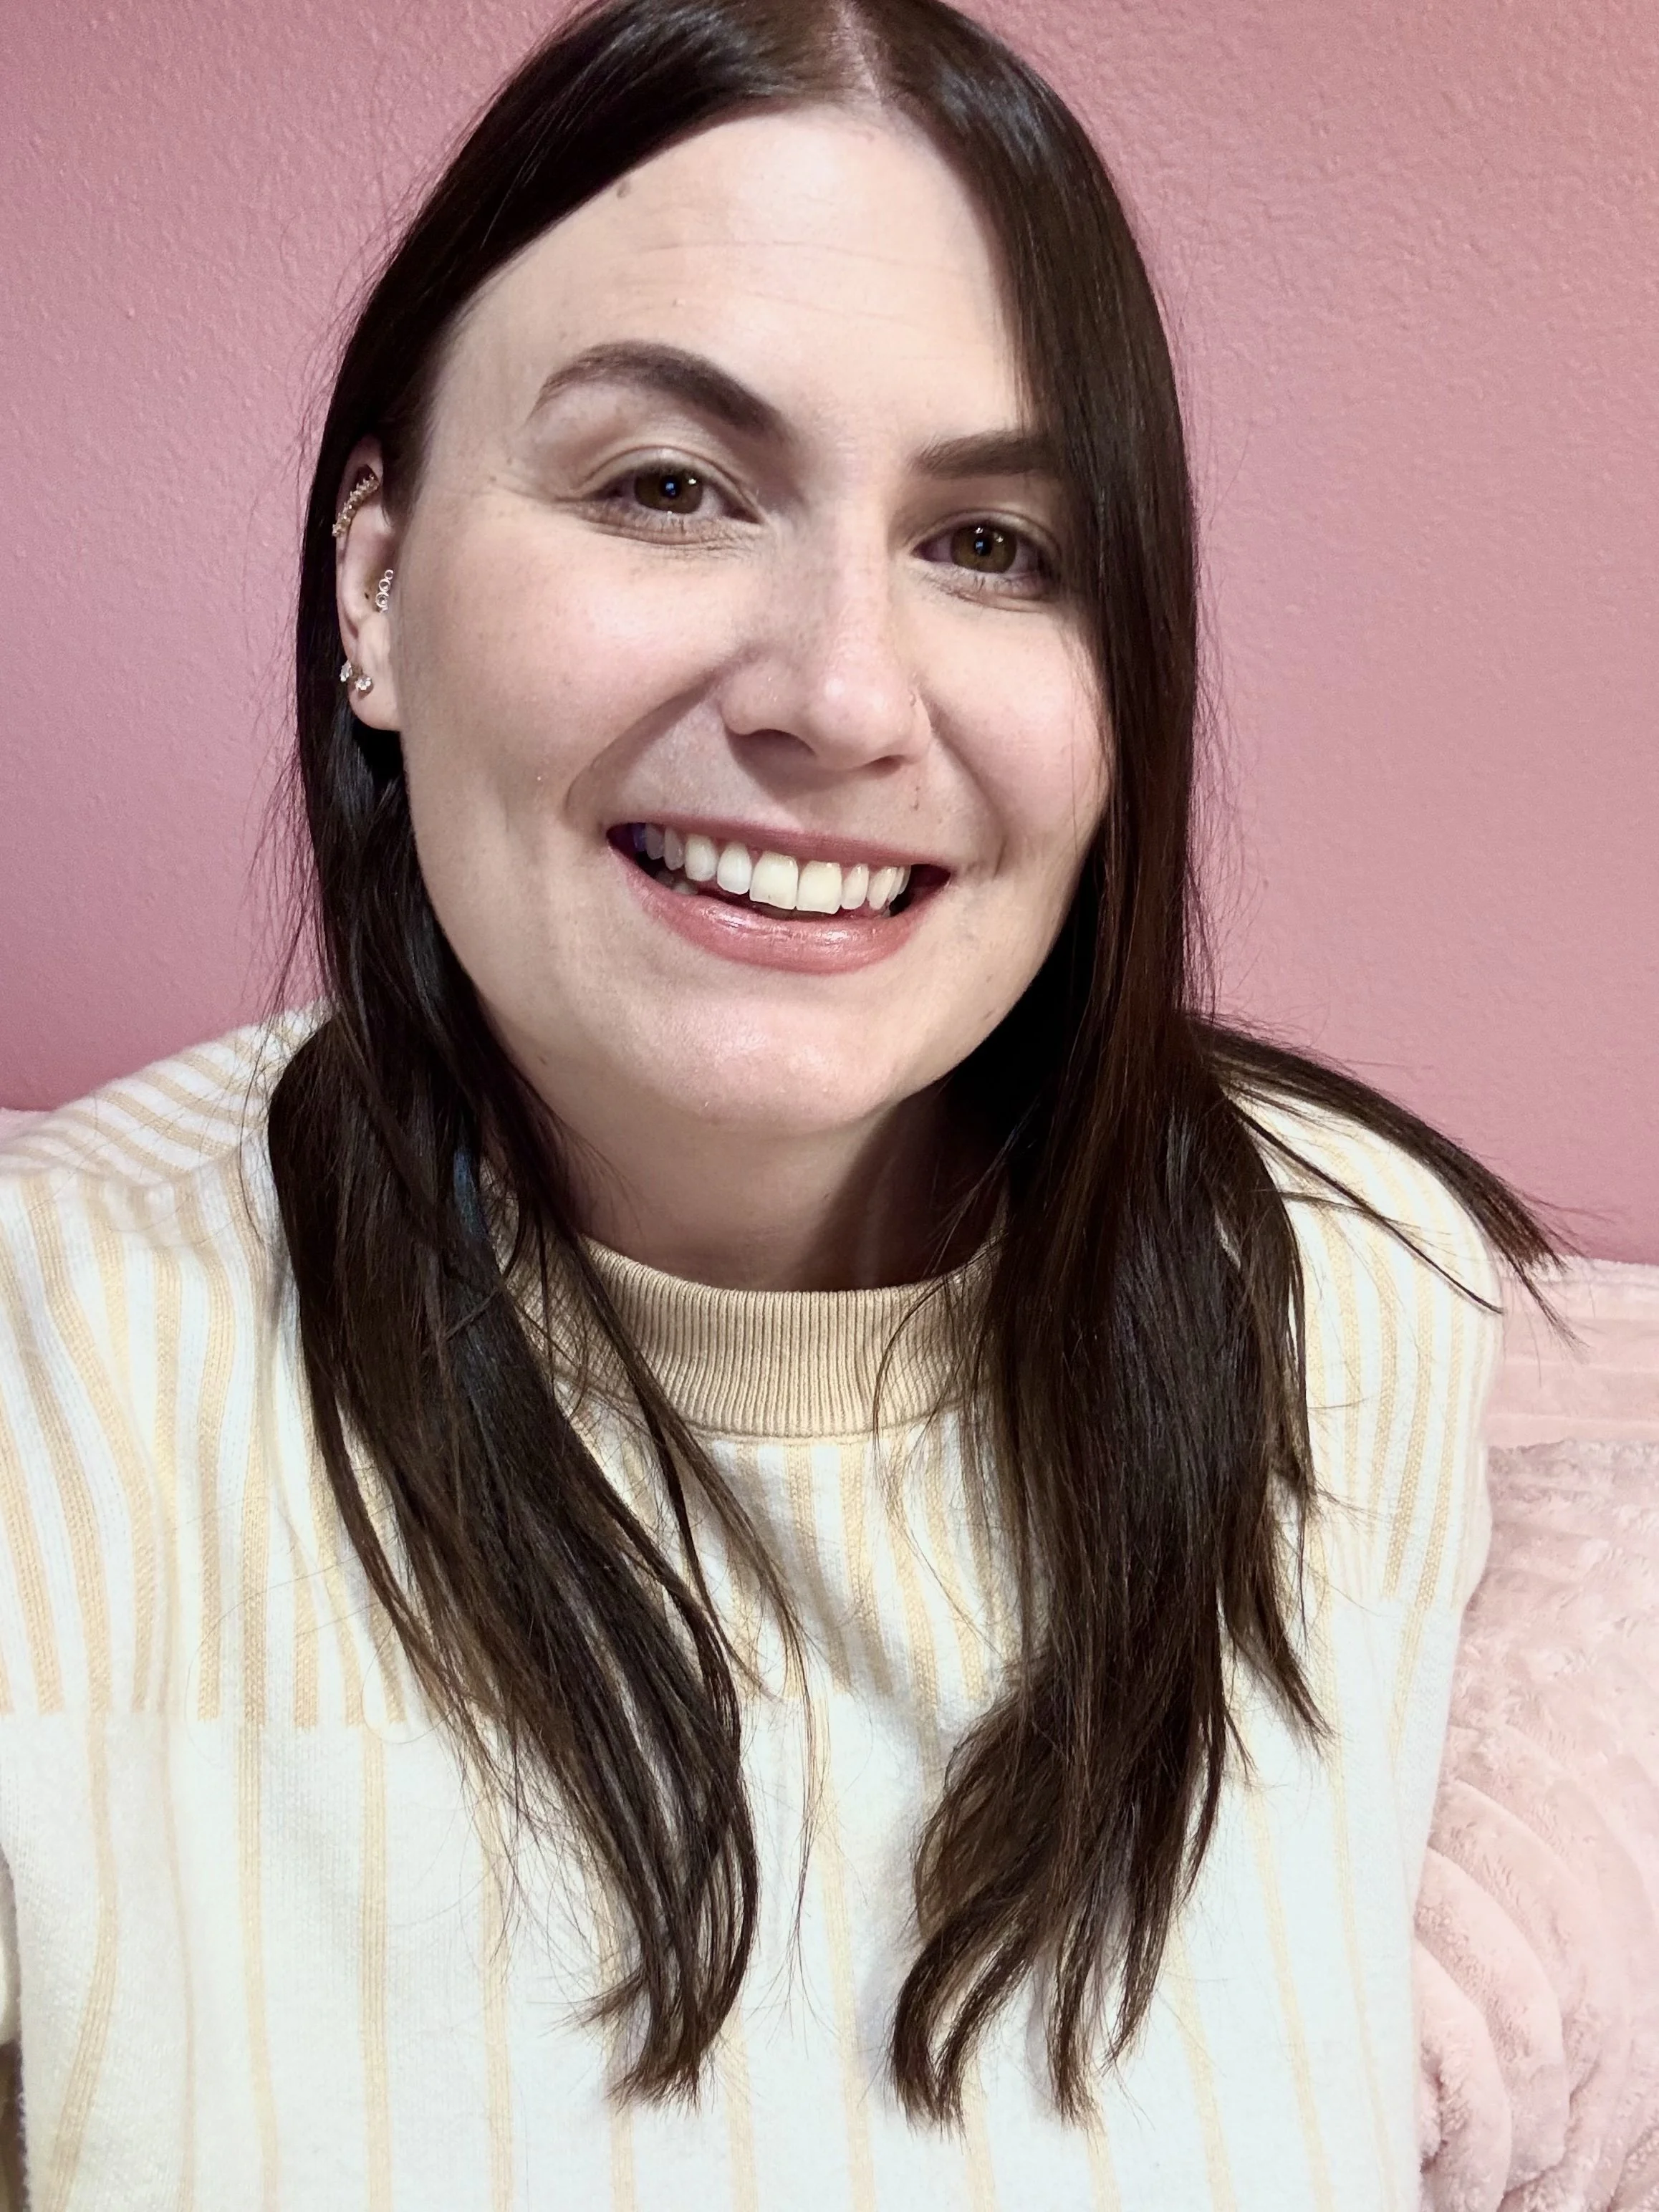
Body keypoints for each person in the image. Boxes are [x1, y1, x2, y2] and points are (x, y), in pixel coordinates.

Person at [0, 0, 1569, 2203]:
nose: (839, 695)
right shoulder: (49, 1366)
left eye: (998, 546)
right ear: (372, 586)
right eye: (666, 487)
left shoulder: (1351, 1293)